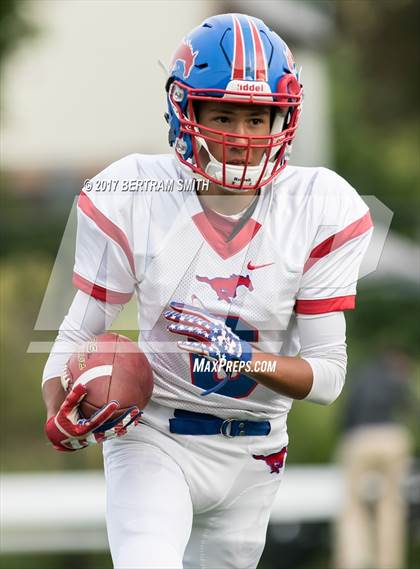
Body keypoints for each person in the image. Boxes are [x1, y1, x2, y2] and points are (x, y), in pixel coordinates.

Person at [41, 13, 374, 569]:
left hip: (255, 452)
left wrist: (246, 360)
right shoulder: (135, 194)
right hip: (155, 436)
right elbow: (79, 331)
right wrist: (58, 408)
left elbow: (328, 377)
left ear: (282, 120)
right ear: (185, 111)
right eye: (222, 115)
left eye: (256, 118)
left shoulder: (320, 206)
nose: (240, 138)